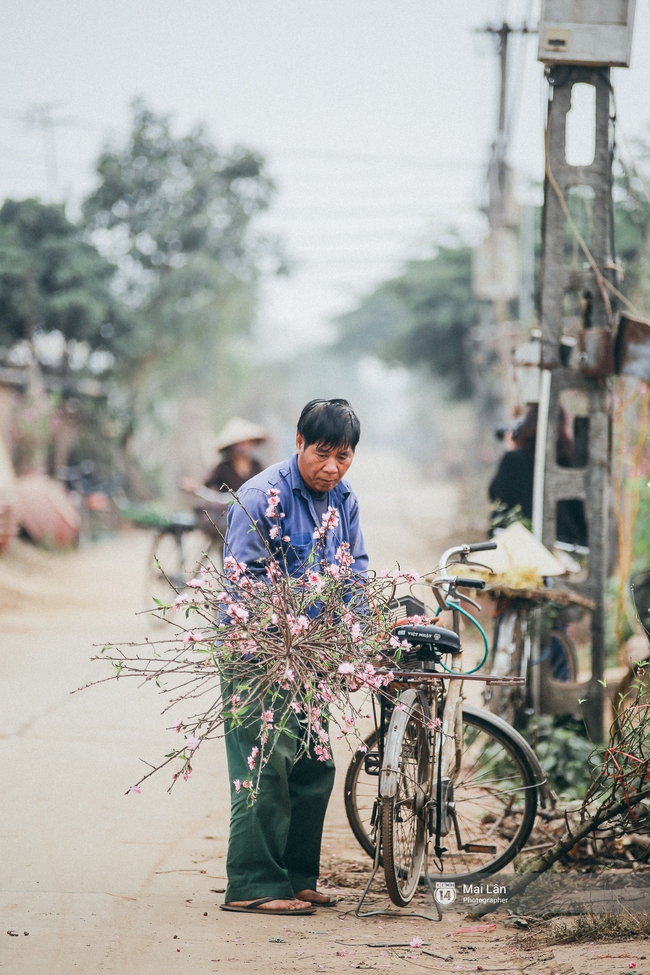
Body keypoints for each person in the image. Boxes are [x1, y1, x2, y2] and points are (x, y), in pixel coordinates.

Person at [220, 399, 368, 917]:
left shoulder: (342, 498)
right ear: (299, 443)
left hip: (314, 655)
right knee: (265, 767)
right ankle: (253, 883)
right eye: (323, 454)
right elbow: (243, 582)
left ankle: (297, 876)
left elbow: (354, 573)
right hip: (257, 651)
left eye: (343, 456)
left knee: (312, 766)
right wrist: (279, 631)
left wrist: (354, 641)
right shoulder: (260, 496)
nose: (332, 468)